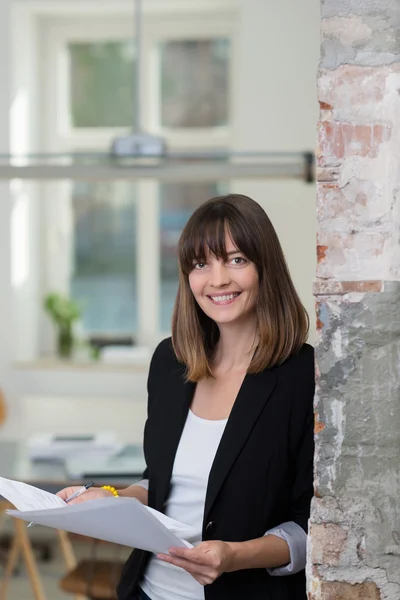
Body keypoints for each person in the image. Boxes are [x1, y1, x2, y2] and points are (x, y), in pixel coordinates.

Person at [58, 194, 315, 600]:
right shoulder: (170, 361)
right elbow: (160, 483)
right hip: (148, 590)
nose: (217, 280)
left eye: (236, 260)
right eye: (201, 264)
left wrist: (234, 555)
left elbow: (312, 528)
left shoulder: (304, 376)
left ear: (265, 267)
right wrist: (107, 499)